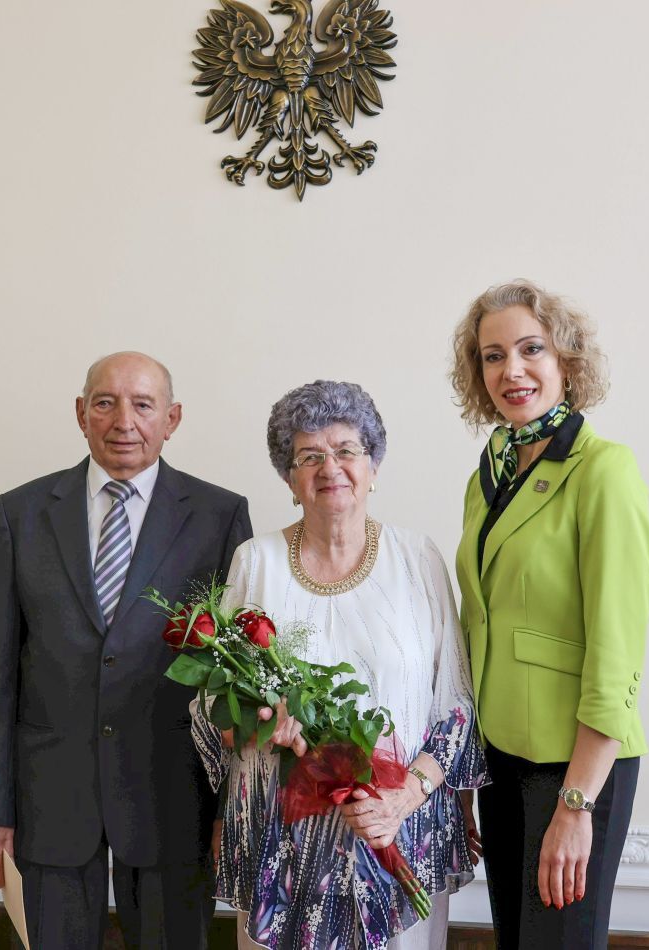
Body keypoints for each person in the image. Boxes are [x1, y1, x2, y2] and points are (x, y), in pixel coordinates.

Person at [0, 351, 252, 949]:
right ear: (80, 413)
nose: (124, 421)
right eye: (105, 403)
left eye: (143, 405)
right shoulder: (22, 512)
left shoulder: (219, 516)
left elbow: (236, 681)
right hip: (51, 798)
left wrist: (233, 809)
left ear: (171, 419)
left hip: (174, 797)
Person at [191, 380, 488, 950]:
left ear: (373, 466)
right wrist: (262, 721)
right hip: (283, 843)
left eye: (347, 450)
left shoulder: (418, 558)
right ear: (289, 479)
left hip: (395, 833)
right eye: (309, 456)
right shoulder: (255, 562)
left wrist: (401, 801)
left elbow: (455, 705)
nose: (330, 467)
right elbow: (214, 705)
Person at [450, 280, 649, 948]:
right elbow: (478, 625)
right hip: (500, 759)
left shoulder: (604, 471)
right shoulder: (489, 474)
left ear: (566, 360)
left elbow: (617, 653)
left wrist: (576, 803)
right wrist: (463, 773)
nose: (511, 369)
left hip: (574, 766)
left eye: (530, 349)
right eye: (492, 356)